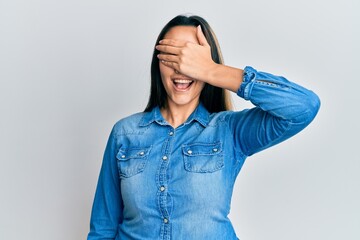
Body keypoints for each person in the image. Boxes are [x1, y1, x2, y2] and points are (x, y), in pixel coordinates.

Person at [87, 14, 320, 240]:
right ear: (158, 64)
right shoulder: (125, 133)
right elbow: (103, 228)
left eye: (190, 59)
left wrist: (212, 71)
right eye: (172, 57)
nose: (181, 69)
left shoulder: (229, 131)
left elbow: (304, 106)